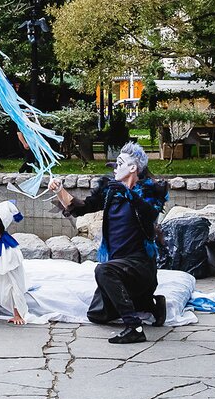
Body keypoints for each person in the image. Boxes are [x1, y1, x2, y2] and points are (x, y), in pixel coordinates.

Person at [48, 142, 168, 344]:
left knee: (103, 271)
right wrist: (60, 190)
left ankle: (134, 327)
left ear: (133, 168)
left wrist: (128, 193)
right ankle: (151, 305)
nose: (115, 168)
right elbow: (81, 207)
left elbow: (150, 214)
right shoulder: (111, 191)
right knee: (97, 315)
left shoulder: (149, 192)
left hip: (140, 267)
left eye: (120, 164)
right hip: (119, 267)